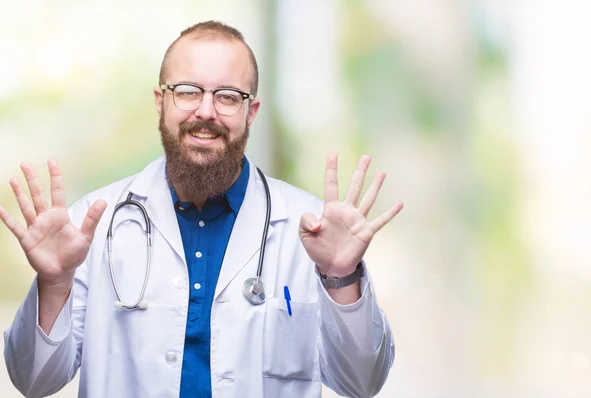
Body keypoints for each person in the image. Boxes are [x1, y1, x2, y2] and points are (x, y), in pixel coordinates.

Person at [1, 21, 403, 398]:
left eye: (228, 96)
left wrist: (340, 277)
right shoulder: (96, 222)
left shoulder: (313, 229)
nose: (206, 111)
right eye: (188, 91)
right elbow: (34, 380)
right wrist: (54, 284)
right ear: (161, 102)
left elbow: (361, 382)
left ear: (252, 112)